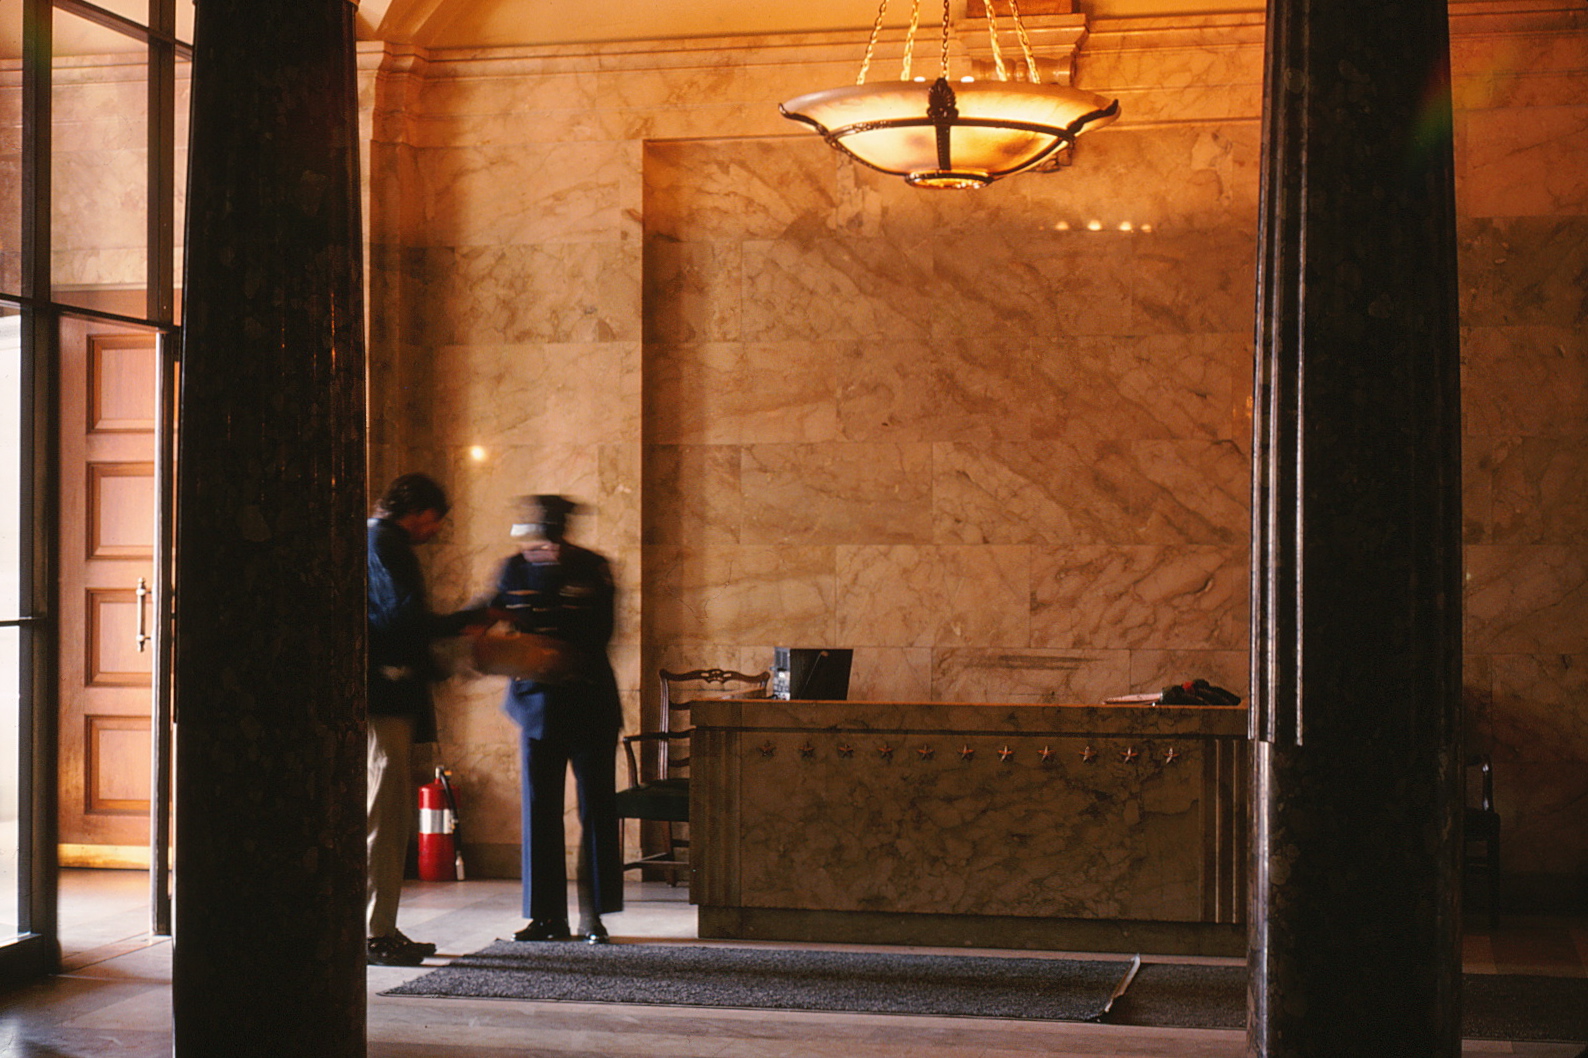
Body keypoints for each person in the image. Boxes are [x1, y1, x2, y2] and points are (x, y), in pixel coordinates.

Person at [492, 494, 623, 944]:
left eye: (552, 532)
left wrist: (552, 653)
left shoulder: (593, 567)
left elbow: (601, 632)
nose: (545, 542)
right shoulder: (513, 569)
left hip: (588, 703)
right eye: (539, 533)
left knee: (596, 811)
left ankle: (593, 915)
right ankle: (547, 917)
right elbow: (490, 611)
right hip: (536, 707)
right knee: (540, 811)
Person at [366, 472, 485, 967]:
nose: (434, 530)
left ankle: (378, 926)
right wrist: (461, 624)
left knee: (382, 811)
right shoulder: (385, 543)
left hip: (379, 690)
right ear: (417, 512)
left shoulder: (373, 538)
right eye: (435, 520)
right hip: (385, 694)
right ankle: (375, 932)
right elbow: (403, 620)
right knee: (385, 812)